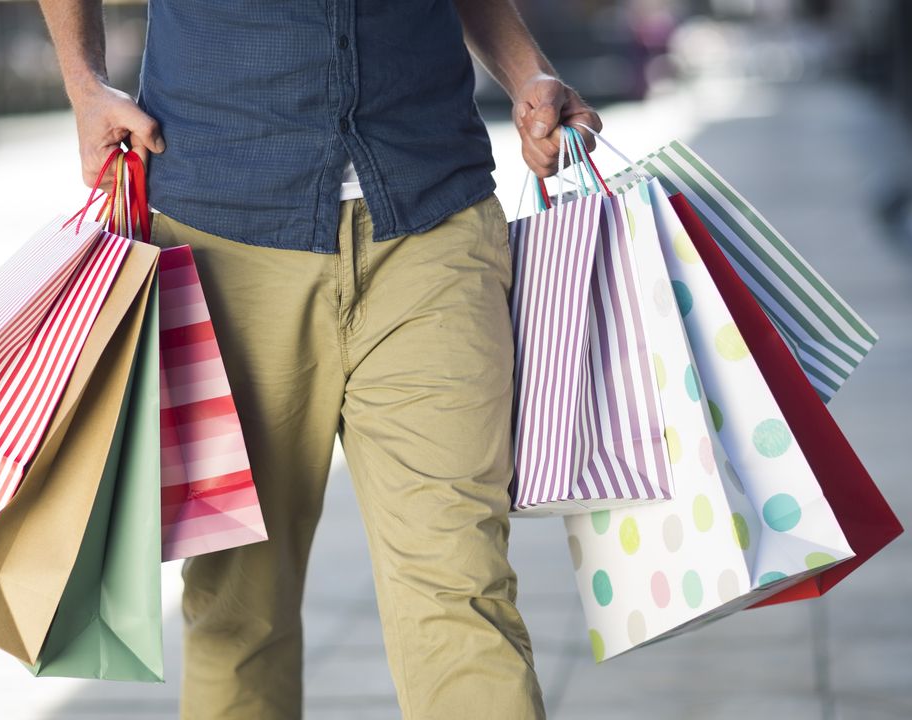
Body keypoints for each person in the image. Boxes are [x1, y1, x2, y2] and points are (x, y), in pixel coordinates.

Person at [37, 1, 602, 717]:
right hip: (221, 230)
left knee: (462, 591)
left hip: (432, 218)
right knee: (241, 604)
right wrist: (86, 88)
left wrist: (529, 70)